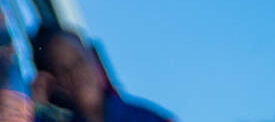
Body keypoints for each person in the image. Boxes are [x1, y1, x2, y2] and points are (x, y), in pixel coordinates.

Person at [28, 24, 173, 122]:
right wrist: (35, 107)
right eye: (62, 70)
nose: (75, 74)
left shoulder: (145, 118)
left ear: (94, 59)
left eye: (79, 61)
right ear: (51, 85)